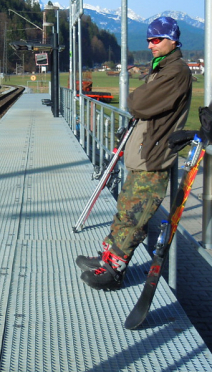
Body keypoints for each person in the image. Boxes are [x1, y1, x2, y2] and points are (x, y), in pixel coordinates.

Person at [76, 16, 193, 291]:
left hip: (152, 156)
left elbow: (138, 103)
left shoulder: (176, 72)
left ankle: (114, 271)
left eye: (156, 39)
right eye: (148, 39)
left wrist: (139, 96)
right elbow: (140, 102)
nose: (151, 44)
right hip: (142, 153)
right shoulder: (162, 67)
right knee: (125, 210)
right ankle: (106, 258)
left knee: (134, 217)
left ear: (172, 40)